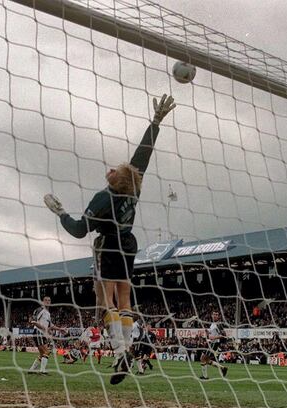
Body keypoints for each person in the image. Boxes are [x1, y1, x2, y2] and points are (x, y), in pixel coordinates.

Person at [43, 94, 176, 385]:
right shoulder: (133, 190)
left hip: (108, 245)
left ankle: (119, 350)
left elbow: (79, 230)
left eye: (115, 169)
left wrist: (61, 213)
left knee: (104, 300)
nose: (113, 168)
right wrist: (155, 122)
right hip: (129, 245)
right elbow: (144, 155)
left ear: (117, 179)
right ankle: (126, 348)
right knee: (125, 298)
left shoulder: (104, 197)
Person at [27, 296, 65, 375]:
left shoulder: (48, 313)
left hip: (42, 334)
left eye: (49, 300)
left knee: (42, 354)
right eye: (46, 300)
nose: (48, 301)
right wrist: (44, 328)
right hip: (38, 332)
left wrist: (60, 329)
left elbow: (51, 325)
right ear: (42, 301)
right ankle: (42, 371)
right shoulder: (39, 310)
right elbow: (32, 321)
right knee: (47, 351)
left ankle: (31, 370)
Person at [199, 310, 228, 380]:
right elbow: (210, 333)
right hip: (211, 343)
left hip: (214, 343)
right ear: (211, 315)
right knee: (206, 360)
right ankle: (222, 368)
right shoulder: (213, 324)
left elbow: (224, 335)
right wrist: (206, 331)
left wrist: (214, 337)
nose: (215, 316)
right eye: (214, 314)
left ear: (218, 316)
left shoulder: (219, 324)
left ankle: (205, 376)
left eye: (216, 314)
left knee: (203, 358)